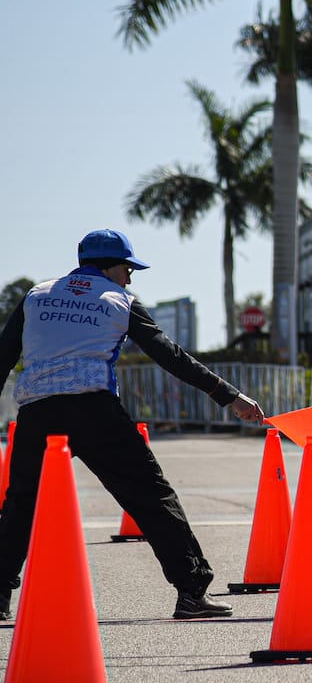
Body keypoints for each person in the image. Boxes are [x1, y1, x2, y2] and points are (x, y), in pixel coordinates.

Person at [0, 229, 265, 621]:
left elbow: (4, 355)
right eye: (128, 268)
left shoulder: (36, 296)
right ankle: (191, 591)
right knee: (150, 496)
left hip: (38, 412)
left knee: (20, 505)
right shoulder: (119, 300)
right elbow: (170, 356)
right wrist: (228, 395)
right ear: (110, 266)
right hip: (94, 409)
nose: (130, 277)